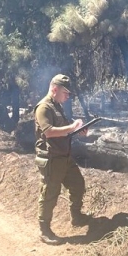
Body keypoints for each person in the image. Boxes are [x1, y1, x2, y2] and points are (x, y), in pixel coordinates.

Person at [34, 74, 91, 245]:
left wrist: (78, 130)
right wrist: (71, 127)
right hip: (51, 158)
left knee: (78, 184)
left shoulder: (57, 106)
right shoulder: (43, 108)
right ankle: (44, 231)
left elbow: (64, 129)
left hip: (64, 156)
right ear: (54, 89)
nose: (67, 97)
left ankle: (77, 216)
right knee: (50, 193)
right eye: (65, 93)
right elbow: (49, 132)